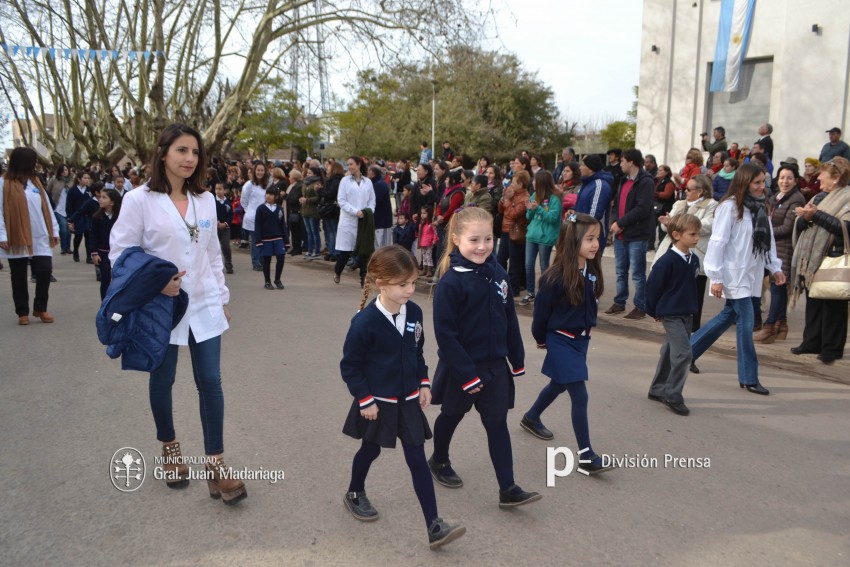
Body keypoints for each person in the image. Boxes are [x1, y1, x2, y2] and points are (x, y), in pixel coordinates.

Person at [109, 123, 246, 504]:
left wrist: (221, 298)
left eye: (195, 152)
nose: (189, 159)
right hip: (160, 307)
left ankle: (215, 466)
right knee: (162, 380)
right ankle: (170, 450)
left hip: (202, 302)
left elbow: (213, 255)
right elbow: (120, 253)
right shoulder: (138, 200)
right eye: (182, 150)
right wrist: (155, 283)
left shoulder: (205, 200)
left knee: (211, 382)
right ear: (163, 153)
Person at [340, 245, 466, 549]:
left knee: (417, 460)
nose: (410, 290)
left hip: (408, 401)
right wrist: (365, 399)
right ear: (381, 283)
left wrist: (424, 382)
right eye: (403, 284)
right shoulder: (364, 323)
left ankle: (434, 525)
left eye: (413, 282)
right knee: (370, 451)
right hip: (378, 404)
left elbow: (417, 352)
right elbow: (351, 366)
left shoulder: (416, 313)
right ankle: (355, 492)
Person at [428, 206, 541, 509]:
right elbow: (446, 336)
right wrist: (466, 374)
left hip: (495, 367)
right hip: (462, 369)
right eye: (474, 240)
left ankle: (508, 488)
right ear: (456, 239)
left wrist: (516, 359)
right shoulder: (451, 283)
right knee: (451, 416)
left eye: (488, 239)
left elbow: (509, 319)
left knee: (497, 424)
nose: (482, 246)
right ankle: (438, 460)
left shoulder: (499, 274)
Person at [519, 212, 614, 472]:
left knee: (559, 384)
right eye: (590, 239)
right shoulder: (554, 277)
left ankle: (531, 417)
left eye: (598, 238)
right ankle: (586, 455)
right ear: (573, 241)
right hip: (560, 339)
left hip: (580, 341)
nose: (596, 244)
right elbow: (541, 315)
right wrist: (541, 339)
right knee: (579, 395)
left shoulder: (591, 270)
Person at [689, 164, 784, 395]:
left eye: (763, 182)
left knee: (727, 316)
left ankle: (684, 353)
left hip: (752, 273)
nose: (762, 187)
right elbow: (717, 242)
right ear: (744, 183)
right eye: (757, 182)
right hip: (733, 274)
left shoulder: (761, 206)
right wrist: (716, 276)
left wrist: (775, 267)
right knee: (746, 322)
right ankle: (749, 377)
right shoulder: (729, 208)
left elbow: (768, 241)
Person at [789, 156, 850, 365]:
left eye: (823, 173)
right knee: (814, 301)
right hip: (814, 258)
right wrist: (803, 219)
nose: (819, 177)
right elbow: (806, 225)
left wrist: (816, 216)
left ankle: (832, 348)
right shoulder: (819, 197)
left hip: (835, 256)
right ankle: (812, 341)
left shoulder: (847, 198)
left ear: (836, 178)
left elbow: (845, 228)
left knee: (833, 305)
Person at [645, 214, 702, 416]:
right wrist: (652, 310)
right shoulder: (666, 261)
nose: (697, 238)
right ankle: (673, 394)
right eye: (692, 234)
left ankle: (657, 389)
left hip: (687, 313)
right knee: (684, 354)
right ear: (676, 235)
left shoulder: (694, 260)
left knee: (670, 351)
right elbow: (652, 288)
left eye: (698, 234)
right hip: (670, 314)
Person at [0, 147, 60, 325]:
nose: (35, 164)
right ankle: (22, 312)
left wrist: (54, 230)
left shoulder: (36, 182)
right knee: (18, 275)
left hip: (40, 235)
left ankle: (40, 307)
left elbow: (47, 208)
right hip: (15, 236)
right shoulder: (3, 183)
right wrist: (2, 235)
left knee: (44, 270)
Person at [654, 175, 718, 338]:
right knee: (671, 287)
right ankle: (671, 319)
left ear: (701, 191)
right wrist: (666, 222)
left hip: (696, 253)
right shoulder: (679, 203)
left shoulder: (711, 205)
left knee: (694, 291)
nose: (685, 192)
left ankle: (692, 327)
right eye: (684, 188)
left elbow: (707, 226)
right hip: (672, 251)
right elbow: (665, 226)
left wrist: (677, 222)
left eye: (689, 189)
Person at [754, 165, 805, 344]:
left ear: (796, 181)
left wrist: (763, 231)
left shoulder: (797, 199)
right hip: (773, 248)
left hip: (785, 249)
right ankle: (781, 325)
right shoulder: (775, 197)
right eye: (782, 178)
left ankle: (769, 327)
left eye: (789, 178)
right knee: (778, 288)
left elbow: (787, 227)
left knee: (777, 287)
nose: (785, 181)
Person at [606, 149, 655, 320]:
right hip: (621, 234)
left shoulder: (646, 181)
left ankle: (640, 306)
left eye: (623, 161)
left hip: (636, 234)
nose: (620, 164)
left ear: (632, 162)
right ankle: (620, 302)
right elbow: (616, 204)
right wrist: (614, 221)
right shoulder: (623, 181)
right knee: (620, 271)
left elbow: (642, 209)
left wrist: (620, 223)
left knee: (637, 273)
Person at [520, 170, 562, 306]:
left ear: (542, 182)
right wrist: (530, 210)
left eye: (535, 180)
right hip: (532, 235)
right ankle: (530, 293)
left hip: (546, 237)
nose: (533, 182)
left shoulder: (555, 199)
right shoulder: (534, 195)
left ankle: (545, 293)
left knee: (544, 266)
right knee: (528, 265)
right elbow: (528, 217)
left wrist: (537, 208)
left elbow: (553, 218)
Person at [334, 156, 375, 286]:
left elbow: (372, 201)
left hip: (364, 221)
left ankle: (363, 278)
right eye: (348, 164)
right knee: (346, 251)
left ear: (358, 165)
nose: (349, 167)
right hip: (348, 220)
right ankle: (337, 271)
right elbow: (341, 200)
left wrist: (367, 211)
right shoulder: (344, 181)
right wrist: (355, 211)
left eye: (351, 164)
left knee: (364, 250)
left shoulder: (368, 182)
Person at [498, 170, 530, 295]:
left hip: (515, 232)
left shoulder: (525, 197)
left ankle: (514, 288)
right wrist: (504, 200)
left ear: (521, 184)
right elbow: (501, 211)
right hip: (505, 230)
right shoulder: (511, 194)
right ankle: (500, 283)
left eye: (514, 182)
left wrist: (507, 202)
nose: (511, 184)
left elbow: (513, 214)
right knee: (500, 259)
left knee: (514, 262)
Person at [574, 155, 613, 254]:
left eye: (583, 165)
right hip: (580, 231)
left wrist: (572, 218)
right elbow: (580, 207)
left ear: (590, 169)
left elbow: (594, 215)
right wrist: (572, 214)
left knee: (591, 267)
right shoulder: (586, 183)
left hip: (592, 234)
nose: (580, 167)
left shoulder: (601, 185)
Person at [90, 189, 122, 299]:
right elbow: (93, 235)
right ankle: (104, 304)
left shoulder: (120, 217)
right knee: (105, 280)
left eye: (104, 197)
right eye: (100, 197)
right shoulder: (97, 217)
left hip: (118, 253)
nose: (100, 199)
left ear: (112, 202)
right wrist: (94, 253)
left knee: (119, 280)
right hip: (103, 253)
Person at [255, 187, 289, 290]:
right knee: (266, 260)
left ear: (276, 196)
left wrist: (286, 241)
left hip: (278, 238)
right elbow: (258, 226)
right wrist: (258, 241)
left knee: (281, 257)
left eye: (271, 194)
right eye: (267, 194)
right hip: (265, 239)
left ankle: (277, 280)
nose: (268, 196)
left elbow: (283, 225)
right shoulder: (260, 208)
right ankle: (267, 281)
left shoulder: (279, 209)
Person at [241, 162, 269, 271]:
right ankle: (256, 262)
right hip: (252, 216)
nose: (260, 172)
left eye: (262, 170)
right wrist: (249, 211)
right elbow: (243, 201)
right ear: (254, 171)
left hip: (264, 216)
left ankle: (262, 260)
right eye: (258, 170)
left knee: (263, 240)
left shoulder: (266, 184)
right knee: (254, 240)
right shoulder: (249, 185)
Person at [66, 171, 92, 262]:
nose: (87, 180)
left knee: (88, 237)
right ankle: (75, 252)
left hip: (87, 217)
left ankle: (89, 256)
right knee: (78, 236)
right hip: (77, 217)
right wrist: (70, 219)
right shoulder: (72, 190)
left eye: (88, 178)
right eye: (85, 178)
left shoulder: (89, 190)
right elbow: (68, 205)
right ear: (79, 179)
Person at [213, 182, 234, 274]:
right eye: (216, 189)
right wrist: (217, 222)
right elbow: (211, 213)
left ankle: (229, 265)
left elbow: (230, 216)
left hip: (225, 229)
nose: (217, 191)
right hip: (215, 228)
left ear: (224, 190)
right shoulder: (213, 202)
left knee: (226, 247)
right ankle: (214, 266)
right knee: (214, 247)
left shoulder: (228, 203)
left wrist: (225, 224)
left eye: (220, 189)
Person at [418, 206, 438, 277]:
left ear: (429, 214)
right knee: (424, 256)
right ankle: (424, 270)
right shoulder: (422, 223)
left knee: (429, 256)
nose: (422, 215)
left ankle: (429, 270)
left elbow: (435, 233)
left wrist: (434, 240)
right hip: (423, 242)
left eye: (424, 213)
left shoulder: (431, 224)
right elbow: (420, 233)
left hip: (429, 243)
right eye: (421, 213)